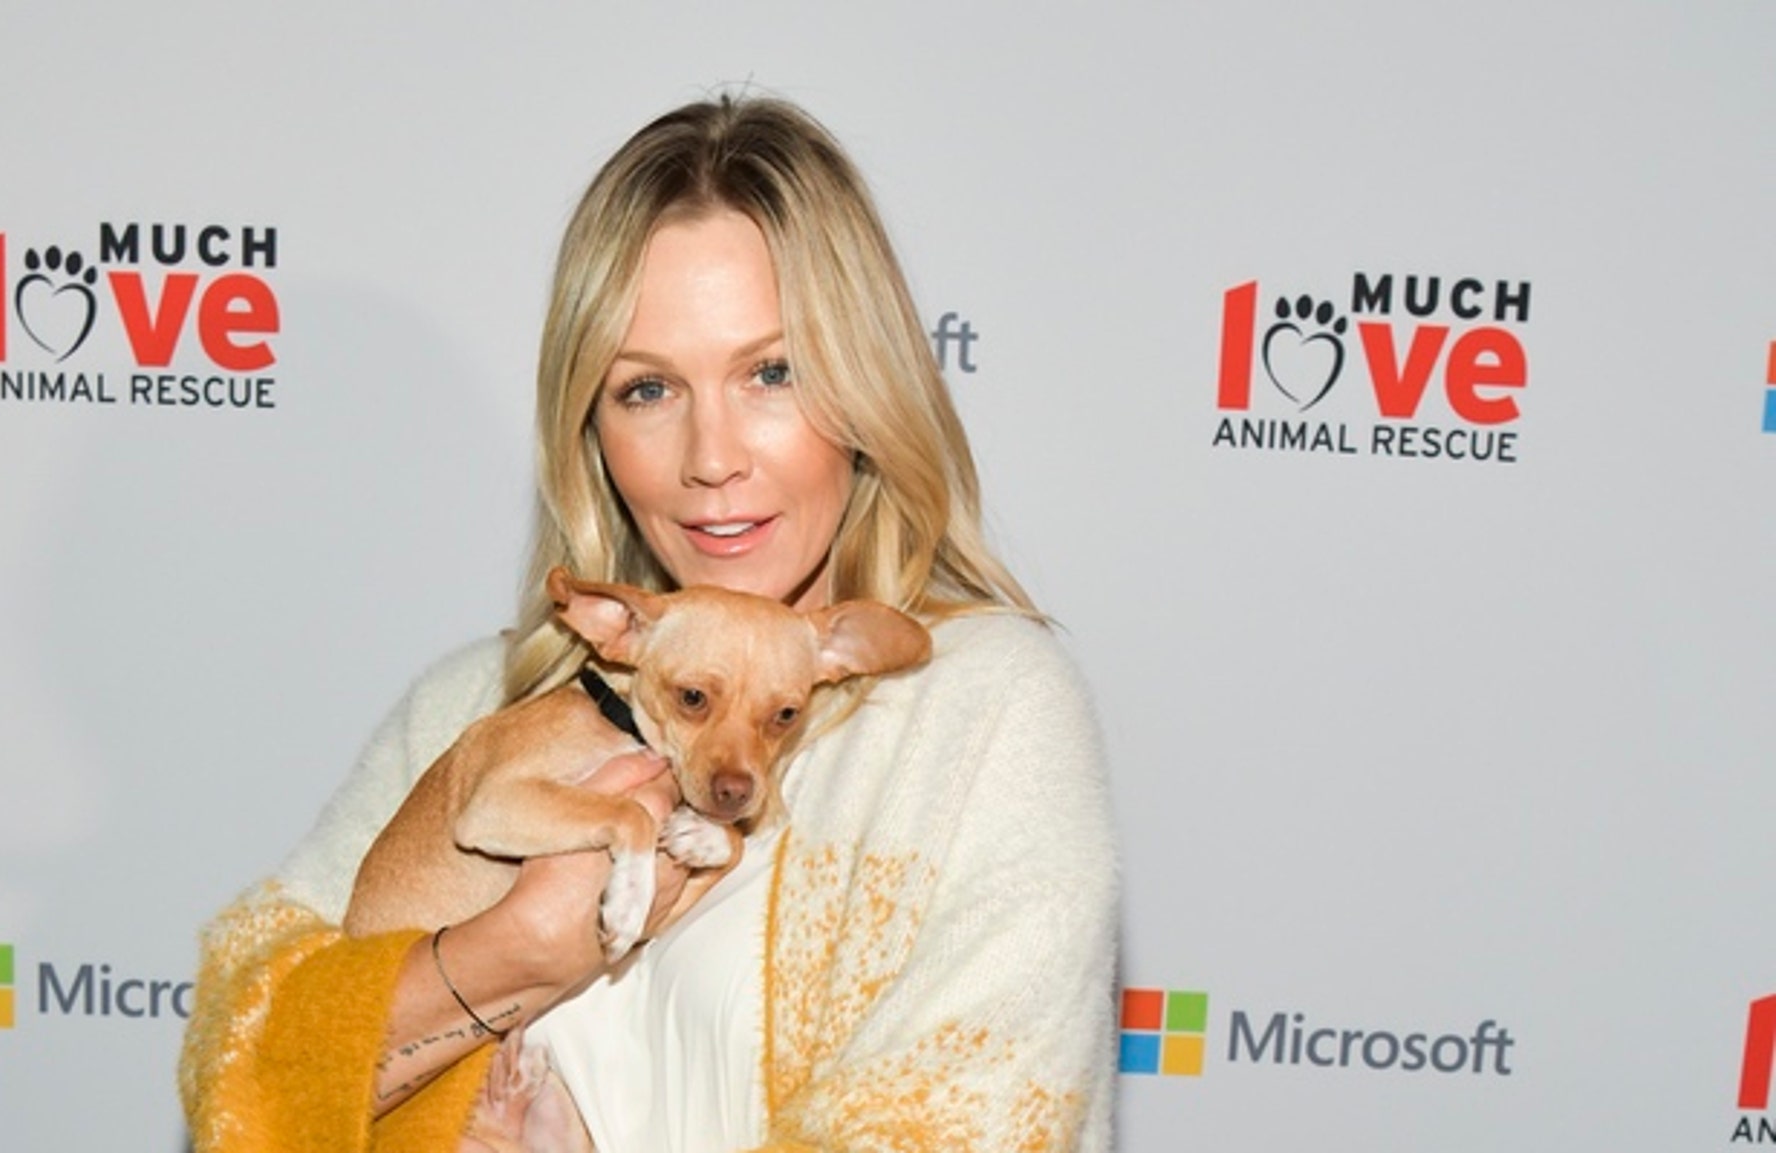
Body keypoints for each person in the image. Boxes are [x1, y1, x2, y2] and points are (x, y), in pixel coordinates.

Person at [179, 94, 1119, 1153]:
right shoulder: (471, 707)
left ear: (868, 386)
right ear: (588, 424)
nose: (710, 457)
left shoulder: (981, 713)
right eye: (647, 389)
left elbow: (961, 1129)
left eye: (772, 372)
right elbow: (237, 1077)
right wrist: (510, 957)